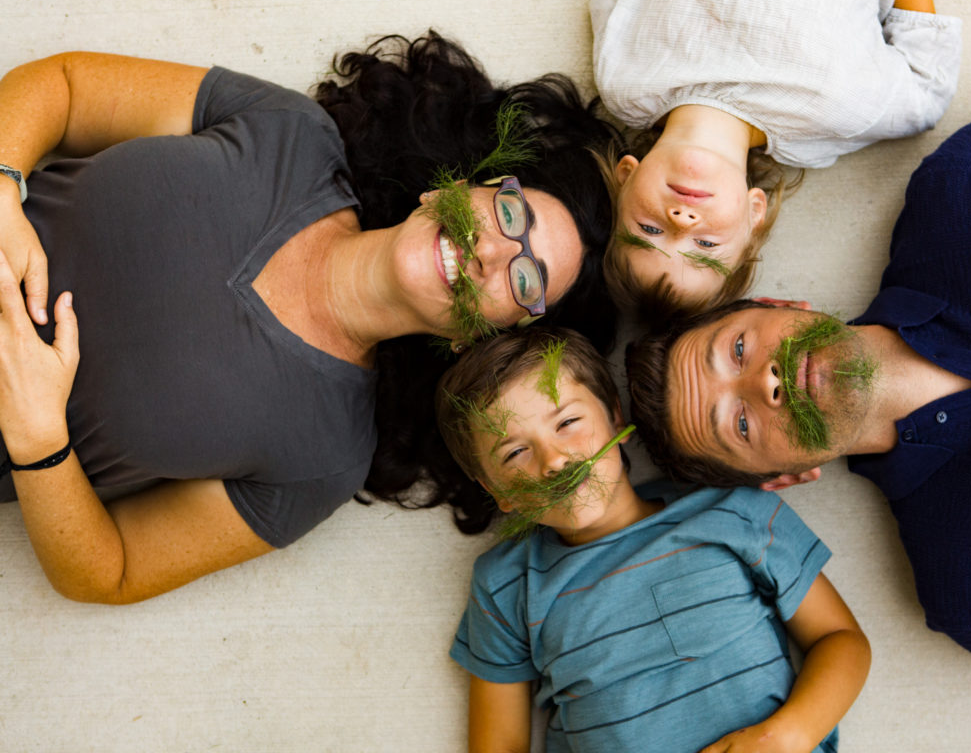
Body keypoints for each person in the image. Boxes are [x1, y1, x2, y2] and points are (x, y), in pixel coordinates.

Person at [625, 60, 971, 695]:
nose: (765, 385)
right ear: (782, 479)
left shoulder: (968, 190)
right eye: (737, 423)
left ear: (779, 309)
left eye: (735, 352)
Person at [0, 32, 620, 604]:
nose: (493, 250)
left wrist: (37, 440)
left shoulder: (321, 462)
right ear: (453, 187)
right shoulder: (290, 133)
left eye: (526, 279)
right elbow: (63, 85)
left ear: (476, 338)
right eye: (512, 215)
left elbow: (110, 571)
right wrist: (2, 184)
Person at [436, 327, 870, 752]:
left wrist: (789, 736)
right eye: (515, 453)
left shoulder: (730, 510)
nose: (553, 461)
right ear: (495, 492)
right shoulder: (505, 584)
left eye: (567, 422)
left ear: (614, 415)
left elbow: (840, 638)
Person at [591, 0, 961, 316]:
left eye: (650, 229)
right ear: (755, 213)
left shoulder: (625, 84)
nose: (681, 220)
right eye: (705, 243)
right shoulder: (832, 114)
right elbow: (925, 94)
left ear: (625, 176)